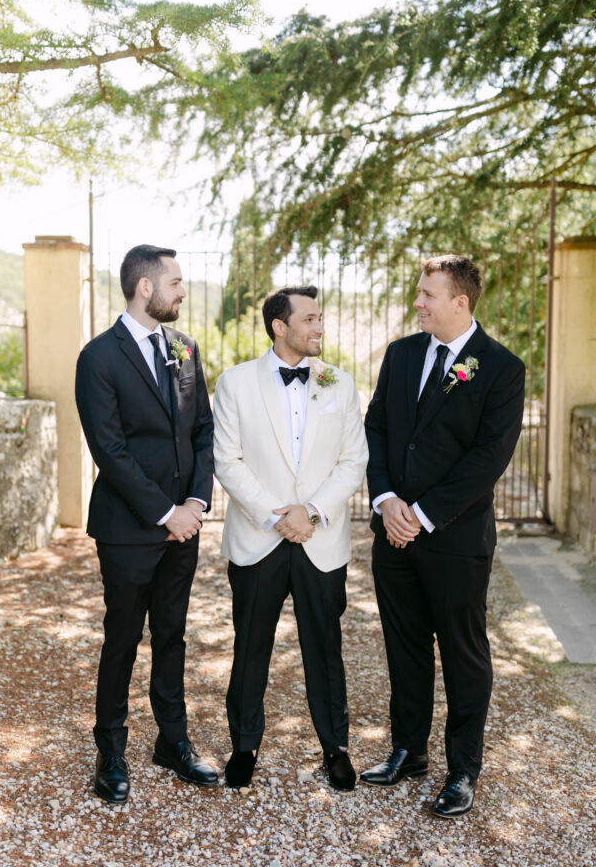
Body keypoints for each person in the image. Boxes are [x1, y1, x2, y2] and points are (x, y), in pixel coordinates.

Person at [361, 254, 525, 817]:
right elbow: (378, 427)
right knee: (404, 648)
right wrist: (386, 502)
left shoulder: (502, 369)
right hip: (393, 533)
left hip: (454, 539)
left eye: (428, 294)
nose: (418, 303)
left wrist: (421, 514)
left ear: (461, 302)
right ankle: (408, 751)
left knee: (463, 655)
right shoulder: (402, 354)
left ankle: (462, 771)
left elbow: (487, 460)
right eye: (418, 292)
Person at [75, 244, 217, 804]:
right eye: (176, 282)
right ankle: (110, 750)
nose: (183, 291)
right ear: (144, 288)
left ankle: (172, 741)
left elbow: (202, 430)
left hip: (185, 524)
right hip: (130, 528)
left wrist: (197, 505)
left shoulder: (184, 348)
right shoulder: (99, 358)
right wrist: (166, 513)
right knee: (122, 638)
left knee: (173, 636)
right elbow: (109, 450)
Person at [212, 286, 368, 791]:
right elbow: (227, 461)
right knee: (250, 645)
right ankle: (243, 745)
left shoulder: (339, 385)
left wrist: (314, 513)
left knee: (325, 648)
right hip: (259, 538)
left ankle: (335, 748)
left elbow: (353, 461)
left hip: (320, 540)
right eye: (311, 318)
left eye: (320, 317)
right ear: (280, 326)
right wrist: (275, 516)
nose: (320, 327)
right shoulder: (235, 383)